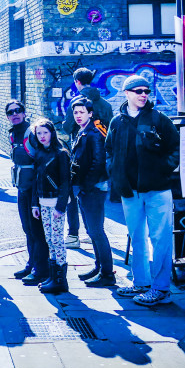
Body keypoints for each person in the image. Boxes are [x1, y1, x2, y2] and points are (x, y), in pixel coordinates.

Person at [105, 75, 180, 307]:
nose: (143, 94)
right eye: (137, 91)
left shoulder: (159, 119)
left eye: (146, 90)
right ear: (126, 93)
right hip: (130, 191)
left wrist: (163, 169)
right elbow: (109, 151)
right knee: (137, 237)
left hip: (158, 190)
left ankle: (161, 290)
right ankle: (141, 283)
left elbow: (177, 149)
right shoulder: (117, 122)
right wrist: (116, 174)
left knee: (161, 239)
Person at [62, 68, 115, 247]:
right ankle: (93, 232)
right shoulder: (106, 105)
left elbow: (68, 128)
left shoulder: (76, 103)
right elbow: (110, 130)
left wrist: (65, 122)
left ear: (77, 81)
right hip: (102, 154)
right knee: (95, 197)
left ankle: (73, 235)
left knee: (73, 194)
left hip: (80, 155)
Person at [68, 95, 114, 286]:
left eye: (82, 112)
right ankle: (99, 267)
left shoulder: (94, 133)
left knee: (96, 231)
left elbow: (97, 162)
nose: (78, 115)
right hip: (87, 189)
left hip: (93, 189)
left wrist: (86, 187)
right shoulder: (83, 131)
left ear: (90, 113)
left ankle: (107, 274)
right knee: (91, 230)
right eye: (75, 112)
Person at [26, 118, 72, 294]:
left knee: (57, 240)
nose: (42, 136)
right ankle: (53, 277)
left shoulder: (61, 153)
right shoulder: (39, 152)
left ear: (52, 133)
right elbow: (36, 181)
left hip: (56, 205)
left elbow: (66, 182)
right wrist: (34, 205)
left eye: (45, 132)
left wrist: (60, 207)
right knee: (49, 240)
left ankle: (61, 280)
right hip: (43, 203)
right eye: (39, 133)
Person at [7, 100, 49, 286]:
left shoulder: (30, 133)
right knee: (27, 230)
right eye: (11, 112)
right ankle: (31, 264)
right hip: (22, 188)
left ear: (24, 113)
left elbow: (41, 162)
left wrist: (35, 197)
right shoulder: (13, 134)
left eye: (18, 111)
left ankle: (40, 270)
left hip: (34, 190)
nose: (15, 114)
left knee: (37, 231)